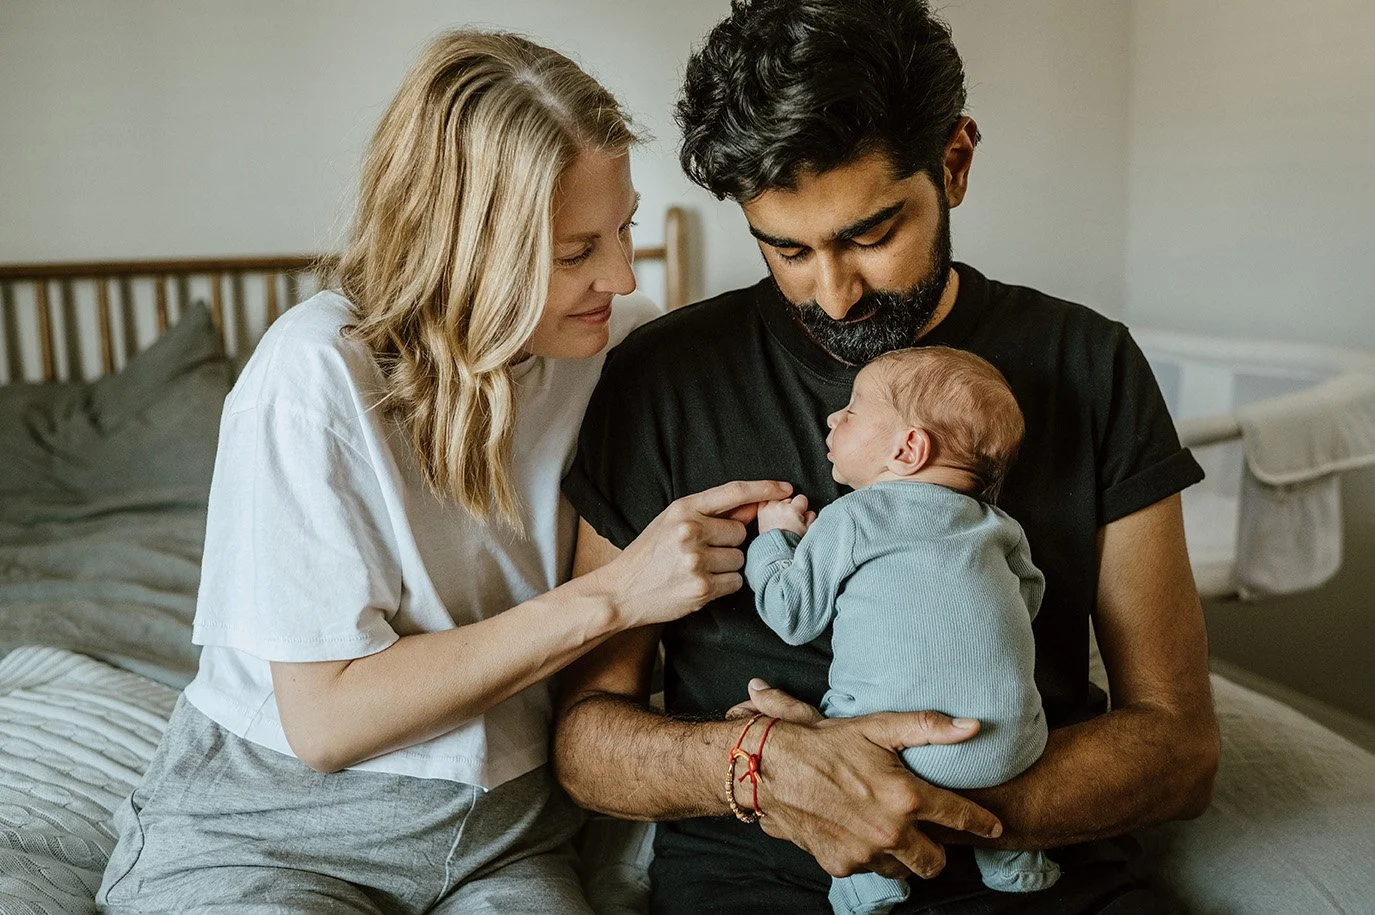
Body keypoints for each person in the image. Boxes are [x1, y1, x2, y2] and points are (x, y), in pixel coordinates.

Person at [96, 30, 789, 914]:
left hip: (506, 838)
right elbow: (327, 723)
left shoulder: (619, 345)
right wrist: (613, 595)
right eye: (575, 252)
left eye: (624, 226)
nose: (619, 274)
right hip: (276, 832)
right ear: (463, 246)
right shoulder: (314, 375)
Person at [553, 1, 1219, 912]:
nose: (831, 294)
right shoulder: (662, 378)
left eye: (870, 236)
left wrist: (908, 800)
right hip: (759, 886)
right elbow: (585, 742)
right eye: (786, 249)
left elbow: (1179, 746)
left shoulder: (1089, 363)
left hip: (1041, 882)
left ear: (953, 161)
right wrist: (766, 767)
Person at [744, 346, 1059, 913]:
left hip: (897, 757)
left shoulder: (855, 515)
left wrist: (777, 540)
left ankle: (867, 881)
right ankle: (1014, 858)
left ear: (907, 449)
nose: (832, 419)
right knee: (1001, 710)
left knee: (838, 732)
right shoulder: (1000, 526)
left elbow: (792, 615)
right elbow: (1028, 596)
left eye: (852, 411)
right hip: (1015, 745)